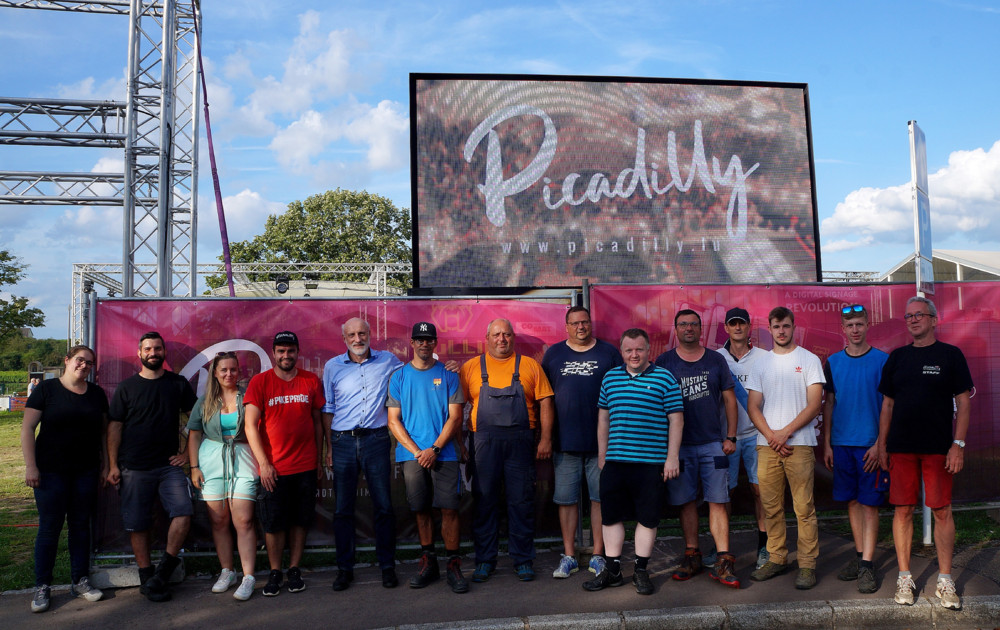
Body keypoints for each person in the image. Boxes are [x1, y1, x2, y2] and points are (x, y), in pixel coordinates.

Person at [877, 296, 972, 610]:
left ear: (934, 319)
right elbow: (887, 405)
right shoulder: (897, 358)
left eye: (919, 315)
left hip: (938, 449)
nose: (913, 320)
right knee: (902, 510)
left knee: (942, 510)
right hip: (901, 449)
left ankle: (945, 580)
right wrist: (881, 444)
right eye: (908, 316)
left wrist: (957, 446)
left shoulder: (951, 355)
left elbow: (964, 401)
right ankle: (904, 577)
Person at [583, 328, 683, 595]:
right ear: (622, 351)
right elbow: (603, 419)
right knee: (611, 517)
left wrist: (671, 457)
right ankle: (613, 571)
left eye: (639, 349)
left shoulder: (665, 378)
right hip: (615, 462)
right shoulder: (610, 378)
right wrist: (603, 456)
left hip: (651, 464)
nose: (634, 354)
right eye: (629, 350)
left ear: (649, 349)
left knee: (648, 519)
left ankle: (640, 570)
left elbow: (676, 419)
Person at [459, 318, 554, 583]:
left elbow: (545, 403)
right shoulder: (471, 367)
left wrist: (545, 439)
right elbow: (456, 408)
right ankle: (485, 561)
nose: (502, 339)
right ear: (487, 338)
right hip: (483, 443)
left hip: (521, 442)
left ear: (513, 338)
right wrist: (458, 442)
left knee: (521, 501)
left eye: (507, 334)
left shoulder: (530, 365)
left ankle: (523, 560)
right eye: (497, 334)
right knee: (484, 502)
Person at [106, 331, 198, 602]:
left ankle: (165, 570)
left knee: (183, 512)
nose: (153, 353)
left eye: (157, 348)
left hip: (169, 466)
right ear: (140, 353)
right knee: (138, 524)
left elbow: (195, 419)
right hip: (133, 467)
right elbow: (114, 427)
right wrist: (112, 465)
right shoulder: (126, 387)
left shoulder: (177, 383)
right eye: (148, 349)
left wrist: (185, 453)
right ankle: (147, 577)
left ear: (164, 352)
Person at [656, 309, 740, 589]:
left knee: (718, 500)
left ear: (701, 328)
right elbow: (655, 404)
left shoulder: (716, 359)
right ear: (675, 328)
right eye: (683, 324)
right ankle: (692, 555)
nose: (689, 328)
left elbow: (730, 400)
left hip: (713, 444)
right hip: (679, 448)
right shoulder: (665, 361)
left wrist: (731, 437)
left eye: (694, 324)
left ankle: (723, 559)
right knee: (686, 501)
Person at [22, 346, 107, 613]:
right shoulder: (46, 390)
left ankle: (80, 581)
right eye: (80, 360)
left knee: (81, 526)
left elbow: (104, 435)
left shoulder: (96, 394)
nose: (84, 366)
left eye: (89, 363)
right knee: (49, 528)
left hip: (86, 471)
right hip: (50, 472)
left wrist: (105, 465)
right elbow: (27, 429)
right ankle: (42, 586)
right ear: (68, 360)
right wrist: (31, 466)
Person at [386, 322, 468, 593]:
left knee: (449, 509)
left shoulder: (449, 375)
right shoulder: (398, 377)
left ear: (435, 343)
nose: (424, 344)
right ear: (411, 343)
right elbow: (393, 421)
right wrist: (417, 452)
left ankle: (453, 564)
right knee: (420, 509)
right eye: (419, 339)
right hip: (412, 455)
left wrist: (434, 449)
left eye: (429, 340)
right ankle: (428, 561)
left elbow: (456, 417)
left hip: (443, 453)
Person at [746, 307, 825, 590]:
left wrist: (785, 433)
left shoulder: (809, 359)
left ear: (794, 327)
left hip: (800, 444)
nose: (782, 331)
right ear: (769, 328)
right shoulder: (760, 364)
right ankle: (777, 558)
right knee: (771, 507)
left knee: (803, 507)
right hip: (767, 446)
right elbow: (753, 405)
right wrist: (771, 436)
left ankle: (807, 564)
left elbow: (814, 404)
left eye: (786, 326)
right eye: (777, 326)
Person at [541, 306, 622, 579]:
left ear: (591, 324)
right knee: (566, 501)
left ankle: (598, 555)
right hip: (565, 443)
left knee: (600, 499)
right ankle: (569, 556)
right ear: (566, 327)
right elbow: (545, 399)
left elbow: (620, 393)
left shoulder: (609, 353)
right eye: (575, 323)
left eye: (585, 322)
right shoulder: (553, 354)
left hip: (603, 444)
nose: (581, 327)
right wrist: (546, 438)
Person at [323, 317, 403, 591]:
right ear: (344, 338)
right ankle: (344, 569)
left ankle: (387, 567)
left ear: (370, 334)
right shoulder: (332, 367)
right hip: (343, 442)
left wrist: (443, 365)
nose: (357, 339)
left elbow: (414, 374)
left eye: (362, 333)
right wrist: (330, 446)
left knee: (384, 506)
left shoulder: (388, 361)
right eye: (352, 335)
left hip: (376, 440)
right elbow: (328, 409)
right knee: (343, 509)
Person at [244, 331, 325, 597]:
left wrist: (320, 457)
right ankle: (275, 571)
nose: (286, 355)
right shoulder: (260, 382)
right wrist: (264, 464)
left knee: (300, 521)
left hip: (305, 466)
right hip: (274, 469)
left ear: (297, 352)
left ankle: (294, 569)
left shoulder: (311, 380)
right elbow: (250, 426)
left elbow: (317, 422)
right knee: (273, 524)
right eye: (281, 351)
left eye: (290, 350)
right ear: (273, 353)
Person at [821, 305, 888, 594]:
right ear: (843, 329)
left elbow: (889, 405)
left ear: (868, 325)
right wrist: (827, 443)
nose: (856, 329)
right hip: (842, 444)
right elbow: (829, 403)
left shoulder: (884, 361)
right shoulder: (833, 362)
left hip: (870, 446)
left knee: (870, 505)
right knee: (851, 502)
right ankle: (861, 557)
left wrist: (880, 444)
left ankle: (869, 565)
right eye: (850, 325)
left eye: (860, 324)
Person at [187, 351, 259, 601]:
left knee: (244, 519)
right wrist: (194, 467)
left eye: (233, 370)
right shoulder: (205, 400)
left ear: (239, 372)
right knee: (218, 520)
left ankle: (248, 576)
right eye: (224, 370)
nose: (229, 374)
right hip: (211, 460)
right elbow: (194, 433)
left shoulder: (247, 397)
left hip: (243, 458)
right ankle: (227, 571)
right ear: (215, 374)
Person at [717, 307, 770, 569]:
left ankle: (765, 547)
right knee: (723, 494)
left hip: (757, 436)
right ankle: (722, 551)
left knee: (760, 492)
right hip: (725, 439)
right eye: (732, 323)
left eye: (742, 323)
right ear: (726, 328)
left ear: (749, 327)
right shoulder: (715, 358)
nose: (737, 327)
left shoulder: (764, 357)